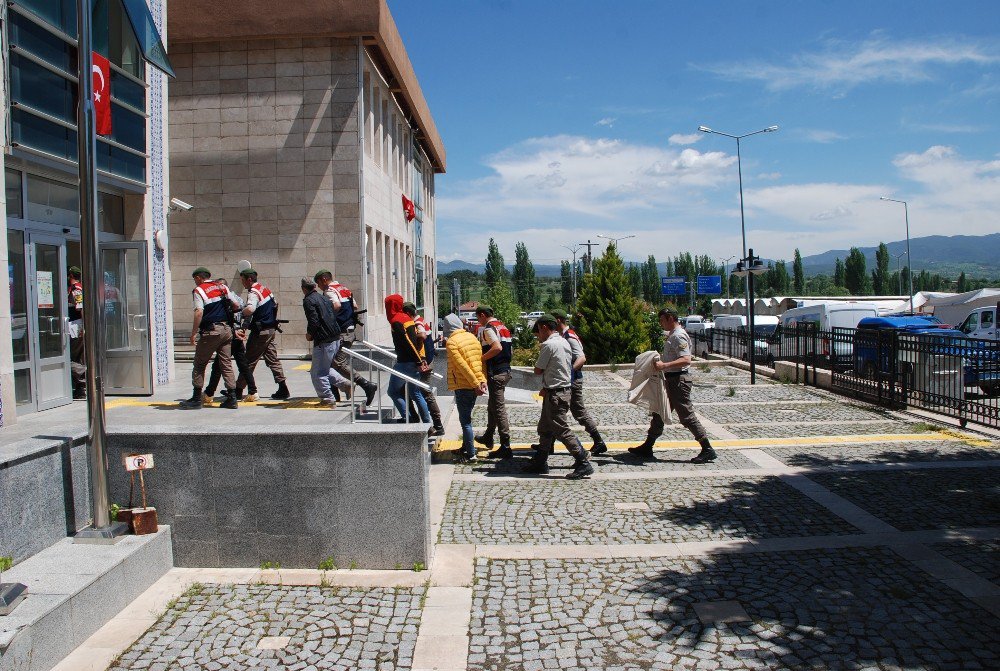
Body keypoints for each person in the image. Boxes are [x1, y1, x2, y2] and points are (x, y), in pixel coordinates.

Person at [629, 307, 717, 463]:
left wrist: (664, 365)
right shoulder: (672, 335)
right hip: (671, 380)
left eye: (662, 320)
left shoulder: (679, 336)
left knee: (687, 416)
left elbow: (686, 360)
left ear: (670, 318)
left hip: (678, 381)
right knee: (659, 412)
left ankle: (707, 448)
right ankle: (648, 446)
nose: (660, 323)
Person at [524, 315, 594, 479]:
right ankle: (540, 461)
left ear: (544, 328)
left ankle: (583, 461)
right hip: (559, 390)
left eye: (539, 332)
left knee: (561, 430)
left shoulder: (549, 345)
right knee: (545, 428)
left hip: (555, 394)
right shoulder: (564, 341)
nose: (538, 336)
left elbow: (538, 370)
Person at [314, 270, 378, 407]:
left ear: (324, 279)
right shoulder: (344, 289)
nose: (319, 286)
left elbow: (336, 305)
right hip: (349, 330)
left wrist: (329, 318)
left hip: (341, 332)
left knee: (338, 363)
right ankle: (335, 394)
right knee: (330, 363)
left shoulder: (329, 291)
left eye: (318, 282)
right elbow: (354, 306)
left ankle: (366, 385)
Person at [180, 268, 242, 409]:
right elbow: (236, 305)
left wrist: (194, 333)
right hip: (227, 330)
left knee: (200, 363)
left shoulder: (199, 290)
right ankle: (232, 398)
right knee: (225, 363)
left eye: (195, 279)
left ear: (198, 278)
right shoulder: (222, 286)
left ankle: (196, 398)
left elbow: (198, 312)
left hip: (211, 331)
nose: (195, 282)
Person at [552, 309, 608, 455]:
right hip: (569, 379)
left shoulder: (569, 336)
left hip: (573, 380)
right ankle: (547, 444)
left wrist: (568, 373)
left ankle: (599, 441)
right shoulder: (564, 335)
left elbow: (581, 358)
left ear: (558, 320)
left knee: (578, 412)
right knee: (555, 411)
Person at [233, 269, 289, 401]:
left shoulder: (253, 292)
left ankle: (238, 390)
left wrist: (241, 312)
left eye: (242, 280)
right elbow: (275, 305)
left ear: (249, 279)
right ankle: (283, 388)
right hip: (270, 330)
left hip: (260, 332)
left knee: (248, 360)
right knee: (273, 359)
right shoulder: (265, 289)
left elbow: (251, 309)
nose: (242, 283)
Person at [203, 279, 256, 403]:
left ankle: (209, 393)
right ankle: (253, 390)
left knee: (218, 366)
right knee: (243, 365)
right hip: (237, 335)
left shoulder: (223, 300)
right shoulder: (238, 298)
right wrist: (243, 328)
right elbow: (248, 314)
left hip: (229, 335)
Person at [443, 313, 487, 462]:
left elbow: (462, 366)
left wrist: (475, 384)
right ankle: (465, 447)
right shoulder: (472, 337)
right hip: (474, 383)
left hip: (463, 385)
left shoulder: (452, 342)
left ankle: (470, 454)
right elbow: (478, 363)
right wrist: (481, 380)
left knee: (465, 421)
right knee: (467, 417)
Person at [301, 277, 349, 406]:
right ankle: (345, 384)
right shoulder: (323, 297)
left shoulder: (309, 300)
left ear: (303, 289)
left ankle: (327, 398)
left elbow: (314, 320)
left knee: (317, 372)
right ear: (314, 287)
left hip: (324, 339)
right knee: (325, 367)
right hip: (335, 336)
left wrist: (310, 334)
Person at [384, 293, 431, 424]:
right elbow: (415, 340)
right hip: (413, 362)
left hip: (405, 363)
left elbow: (408, 342)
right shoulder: (407, 318)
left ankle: (409, 419)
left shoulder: (396, 321)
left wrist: (418, 361)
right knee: (416, 394)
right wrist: (420, 359)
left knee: (393, 392)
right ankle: (428, 424)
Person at [474, 306, 513, 458]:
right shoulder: (503, 327)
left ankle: (505, 445)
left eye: (478, 318)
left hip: (496, 372)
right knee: (492, 406)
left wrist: (481, 358)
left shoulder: (488, 329)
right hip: (505, 370)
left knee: (498, 409)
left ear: (483, 315)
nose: (478, 321)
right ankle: (488, 436)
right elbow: (508, 349)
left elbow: (497, 347)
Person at [404, 301, 445, 436]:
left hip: (424, 363)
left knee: (425, 393)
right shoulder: (421, 320)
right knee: (419, 392)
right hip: (427, 361)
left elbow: (422, 336)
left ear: (408, 314)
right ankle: (420, 419)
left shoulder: (417, 323)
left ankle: (437, 424)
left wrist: (413, 341)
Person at [67, 266, 86, 399]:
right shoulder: (76, 289)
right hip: (75, 326)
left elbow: (80, 308)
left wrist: (83, 327)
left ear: (71, 275)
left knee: (72, 357)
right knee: (76, 357)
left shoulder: (76, 290)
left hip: (75, 327)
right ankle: (80, 387)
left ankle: (83, 380)